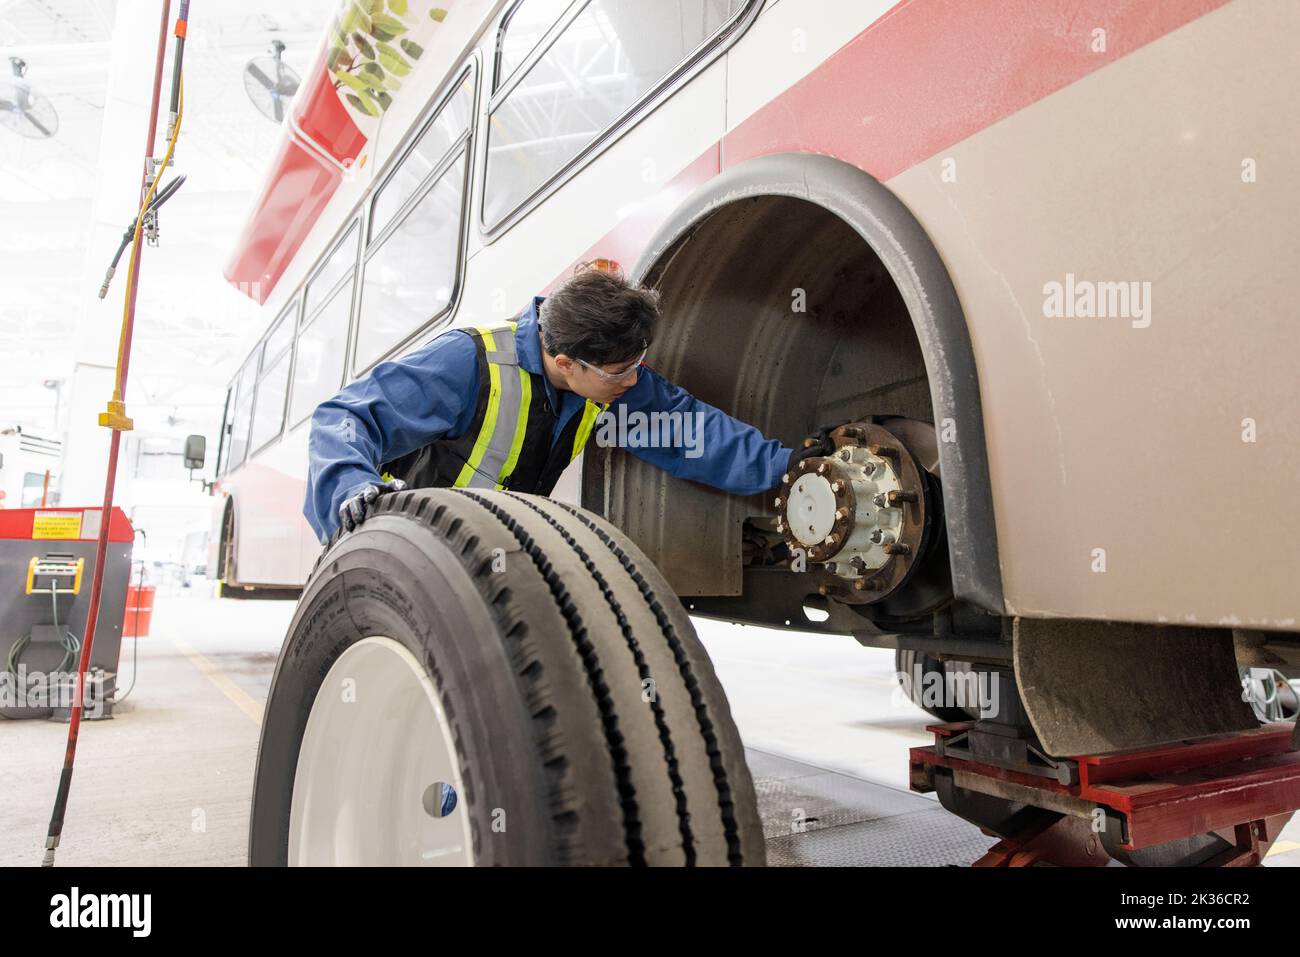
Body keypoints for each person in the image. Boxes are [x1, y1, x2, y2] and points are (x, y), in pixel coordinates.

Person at [304, 264, 828, 542]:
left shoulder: (606, 382)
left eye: (638, 362)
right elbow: (343, 417)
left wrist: (789, 467)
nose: (633, 381)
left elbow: (691, 433)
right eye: (619, 371)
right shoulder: (468, 364)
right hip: (408, 547)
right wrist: (351, 487)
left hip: (484, 553)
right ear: (564, 362)